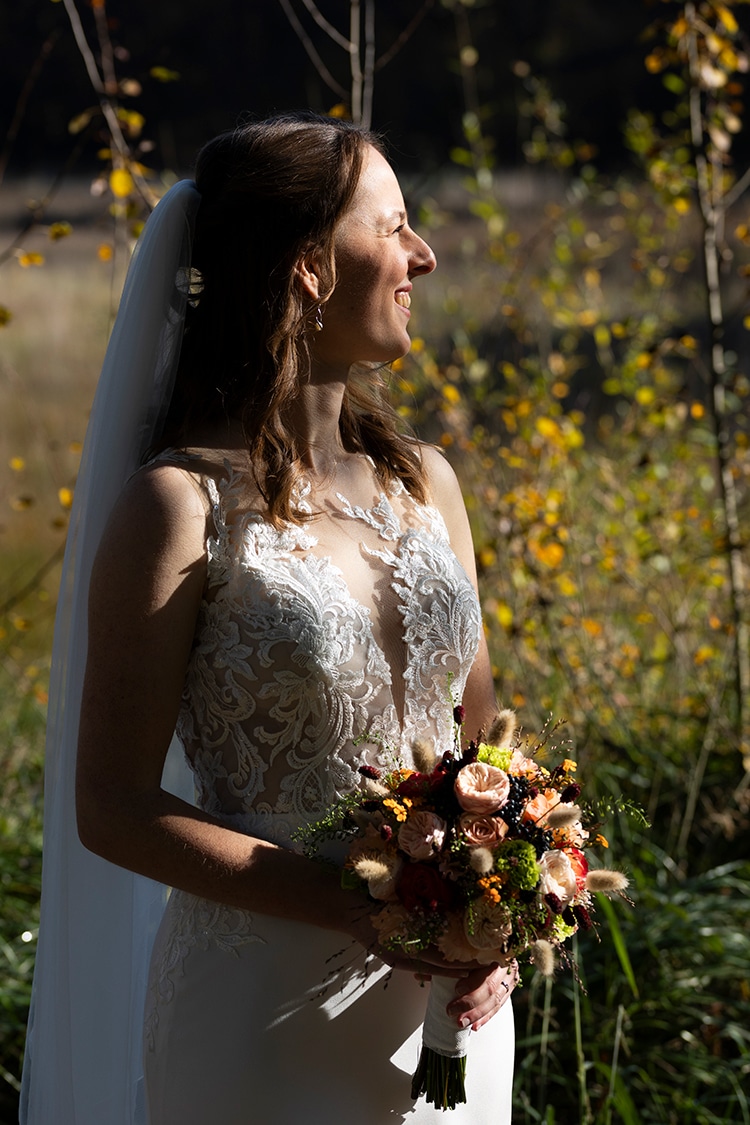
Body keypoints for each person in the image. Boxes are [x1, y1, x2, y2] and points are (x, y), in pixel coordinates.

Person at [21, 112, 516, 1125]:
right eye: (395, 226)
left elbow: (481, 746)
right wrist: (357, 908)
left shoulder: (430, 485)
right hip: (258, 1017)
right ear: (307, 268)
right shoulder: (177, 505)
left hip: (447, 1018)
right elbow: (111, 806)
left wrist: (501, 911)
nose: (424, 254)